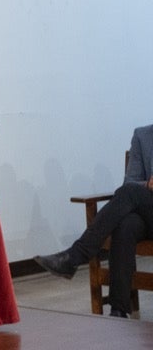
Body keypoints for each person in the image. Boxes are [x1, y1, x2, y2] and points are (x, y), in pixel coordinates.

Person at [34, 123, 153, 317]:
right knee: (126, 225)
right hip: (147, 212)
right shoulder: (142, 136)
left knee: (130, 194)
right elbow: (131, 181)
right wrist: (147, 184)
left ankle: (74, 256)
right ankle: (119, 310)